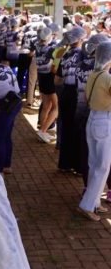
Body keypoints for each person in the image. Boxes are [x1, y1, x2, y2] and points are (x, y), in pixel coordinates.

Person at [78, 41, 111, 221]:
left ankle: (95, 202)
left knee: (94, 164)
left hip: (93, 119)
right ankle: (87, 204)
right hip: (104, 121)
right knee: (102, 166)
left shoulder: (94, 74)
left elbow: (85, 96)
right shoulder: (106, 77)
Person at [74, 34, 109, 180]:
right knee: (102, 158)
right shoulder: (103, 70)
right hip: (101, 115)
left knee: (87, 152)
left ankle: (86, 183)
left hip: (82, 111)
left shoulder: (82, 63)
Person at [55, 26, 86, 171]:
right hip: (77, 93)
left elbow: (58, 79)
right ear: (80, 39)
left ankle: (64, 164)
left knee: (66, 128)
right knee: (78, 129)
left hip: (65, 94)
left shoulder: (65, 55)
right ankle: (78, 166)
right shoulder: (82, 55)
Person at [31, 27, 58, 143]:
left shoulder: (37, 45)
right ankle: (43, 130)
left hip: (41, 77)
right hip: (49, 78)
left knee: (46, 105)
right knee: (57, 107)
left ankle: (43, 131)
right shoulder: (51, 49)